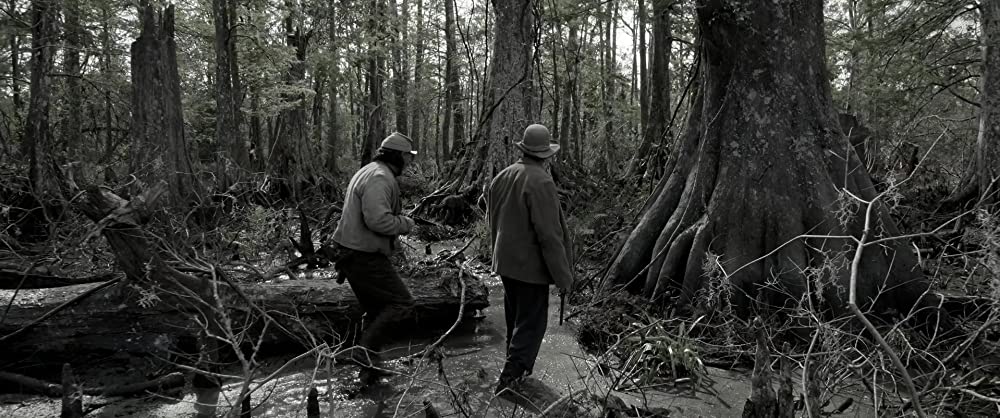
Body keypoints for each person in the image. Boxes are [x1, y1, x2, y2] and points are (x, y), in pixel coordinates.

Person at [487, 124, 574, 397]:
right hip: (530, 269)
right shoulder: (541, 181)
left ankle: (515, 377)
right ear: (546, 155)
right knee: (532, 325)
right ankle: (509, 383)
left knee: (516, 321)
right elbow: (550, 236)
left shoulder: (502, 176)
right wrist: (564, 277)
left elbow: (486, 206)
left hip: (505, 264)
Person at [331, 131, 418, 374]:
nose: (411, 162)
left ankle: (368, 365)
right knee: (402, 304)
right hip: (362, 255)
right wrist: (405, 224)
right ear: (399, 155)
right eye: (408, 156)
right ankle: (364, 355)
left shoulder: (370, 170)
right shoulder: (380, 177)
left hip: (353, 253)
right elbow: (378, 221)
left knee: (378, 309)